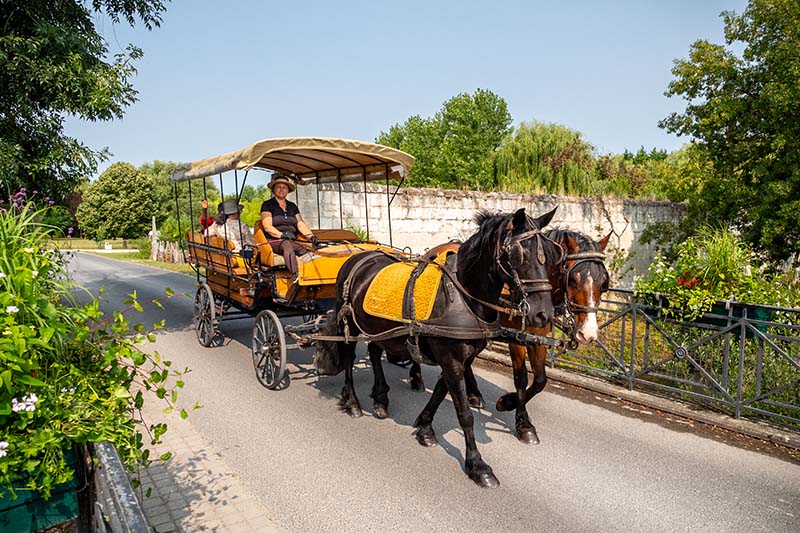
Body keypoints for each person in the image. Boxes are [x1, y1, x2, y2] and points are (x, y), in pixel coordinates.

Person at [260, 173, 319, 279]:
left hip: (292, 239)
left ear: (288, 190)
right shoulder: (267, 205)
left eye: (284, 187)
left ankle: (311, 275)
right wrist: (282, 235)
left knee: (306, 249)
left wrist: (311, 236)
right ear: (274, 189)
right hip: (274, 241)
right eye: (278, 187)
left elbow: (300, 224)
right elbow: (267, 226)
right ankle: (296, 276)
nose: (281, 189)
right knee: (287, 245)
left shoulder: (292, 206)